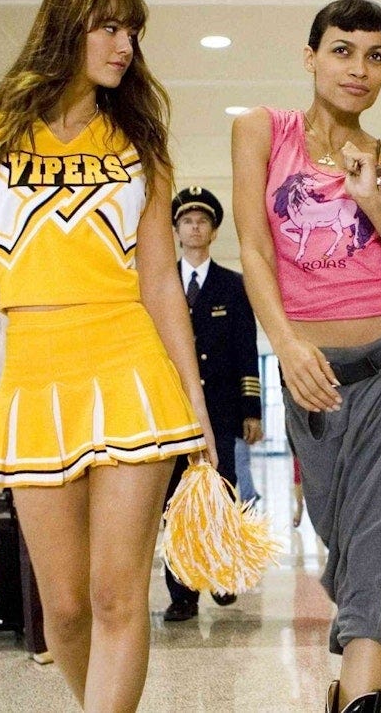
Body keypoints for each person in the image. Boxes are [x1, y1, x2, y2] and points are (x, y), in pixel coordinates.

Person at [0, 0, 215, 713]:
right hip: (31, 371)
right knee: (63, 606)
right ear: (65, 29)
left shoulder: (141, 144)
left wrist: (195, 397)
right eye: (109, 28)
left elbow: (160, 283)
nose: (125, 47)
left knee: (118, 596)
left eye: (133, 33)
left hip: (130, 366)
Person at [230, 0, 381, 713]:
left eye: (375, 56)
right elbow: (254, 249)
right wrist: (286, 346)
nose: (359, 69)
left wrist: (376, 199)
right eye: (343, 50)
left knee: (379, 548)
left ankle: (356, 699)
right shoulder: (262, 131)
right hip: (311, 374)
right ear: (311, 57)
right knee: (352, 550)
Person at [161, 185, 263, 622]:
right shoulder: (160, 282)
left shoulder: (233, 285)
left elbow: (246, 349)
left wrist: (251, 410)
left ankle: (223, 576)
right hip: (171, 411)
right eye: (186, 221)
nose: (194, 227)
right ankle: (182, 594)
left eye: (202, 221)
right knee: (174, 500)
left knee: (222, 493)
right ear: (176, 230)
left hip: (221, 410)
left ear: (214, 230)